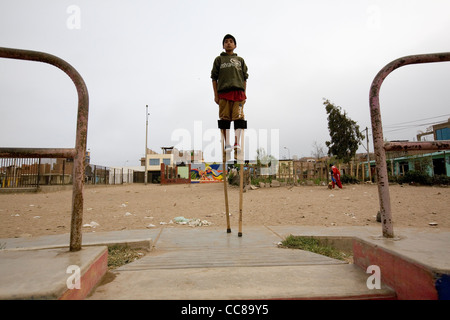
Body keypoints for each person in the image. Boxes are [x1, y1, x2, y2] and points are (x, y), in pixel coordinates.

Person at [211, 34, 248, 152]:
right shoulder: (219, 60)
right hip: (224, 93)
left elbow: (244, 78)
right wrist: (216, 95)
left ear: (235, 45)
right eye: (226, 41)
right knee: (224, 119)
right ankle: (227, 143)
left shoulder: (240, 60)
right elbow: (213, 78)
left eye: (231, 41)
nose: (228, 43)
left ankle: (237, 143)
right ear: (223, 45)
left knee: (239, 118)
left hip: (238, 94)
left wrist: (244, 93)